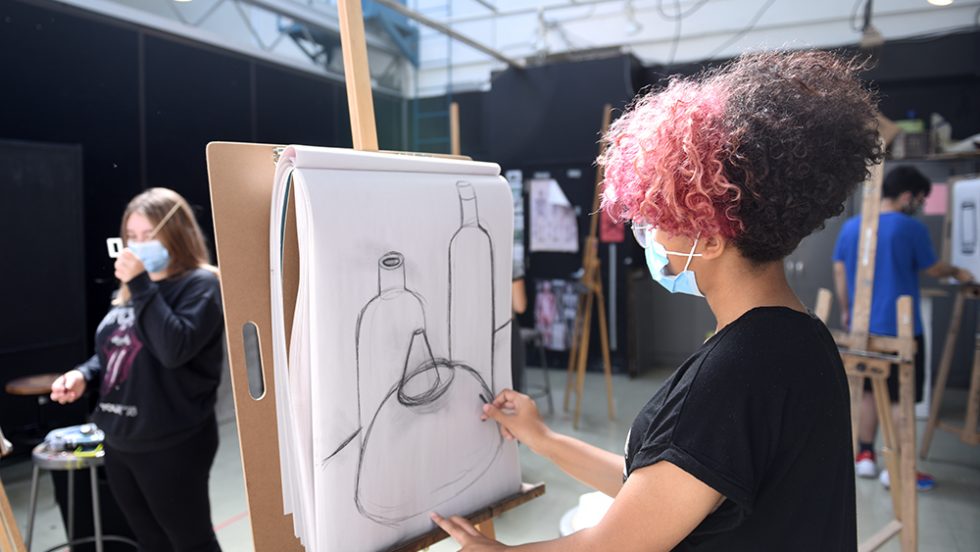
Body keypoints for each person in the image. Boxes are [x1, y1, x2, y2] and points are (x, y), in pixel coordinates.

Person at [429, 50, 880, 551]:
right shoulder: (801, 338)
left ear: (710, 238)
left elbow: (617, 545)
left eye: (659, 217)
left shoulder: (735, 374)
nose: (650, 234)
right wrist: (544, 439)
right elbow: (658, 494)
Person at [50, 188, 225, 552]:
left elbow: (173, 349)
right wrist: (84, 374)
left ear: (176, 233)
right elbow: (115, 350)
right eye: (133, 236)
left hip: (172, 441)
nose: (139, 243)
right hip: (120, 439)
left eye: (149, 235)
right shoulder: (132, 291)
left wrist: (142, 285)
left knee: (191, 541)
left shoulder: (201, 284)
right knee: (149, 541)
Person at [833, 165, 973, 491]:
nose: (920, 205)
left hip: (862, 327)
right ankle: (896, 466)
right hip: (900, 330)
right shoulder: (909, 229)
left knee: (868, 392)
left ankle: (865, 456)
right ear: (907, 196)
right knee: (900, 397)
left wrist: (848, 311)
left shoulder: (853, 227)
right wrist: (961, 272)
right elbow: (935, 268)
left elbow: (840, 272)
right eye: (920, 199)